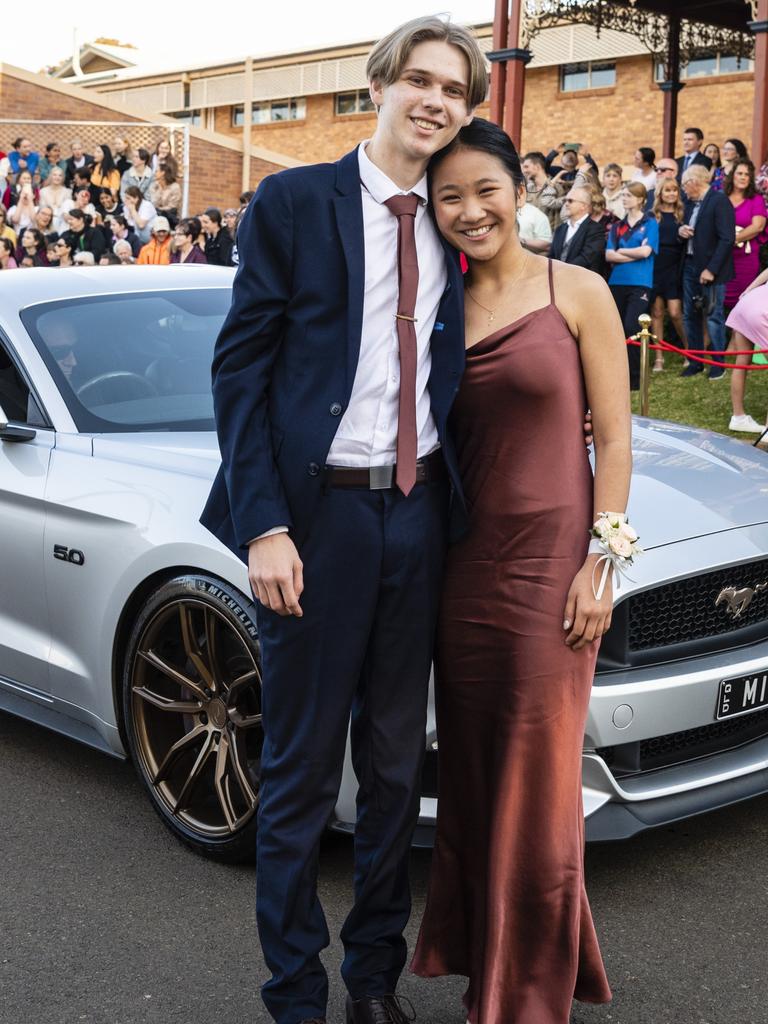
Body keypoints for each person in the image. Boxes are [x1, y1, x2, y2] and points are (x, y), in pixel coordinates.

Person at [200, 16, 489, 1024]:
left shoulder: (458, 221)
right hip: (315, 520)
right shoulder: (291, 203)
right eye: (421, 80)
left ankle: (372, 977)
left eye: (456, 91)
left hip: (417, 518)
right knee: (301, 769)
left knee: (398, 767)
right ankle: (294, 993)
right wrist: (263, 525)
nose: (437, 101)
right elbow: (240, 370)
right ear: (382, 83)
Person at [412, 116, 629, 1024]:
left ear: (518, 188)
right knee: (476, 771)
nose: (470, 211)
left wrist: (601, 565)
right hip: (462, 571)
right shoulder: (432, 309)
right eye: (449, 197)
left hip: (554, 569)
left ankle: (528, 993)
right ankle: (495, 964)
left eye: (485, 190)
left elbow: (615, 439)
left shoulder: (577, 290)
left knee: (540, 777)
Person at [679, 164, 736, 380]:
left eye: (685, 184)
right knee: (689, 314)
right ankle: (695, 362)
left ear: (695, 181)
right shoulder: (689, 204)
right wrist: (681, 231)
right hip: (690, 264)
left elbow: (727, 238)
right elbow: (685, 228)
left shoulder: (719, 200)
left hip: (712, 269)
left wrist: (711, 269)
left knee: (713, 316)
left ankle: (717, 364)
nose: (683, 189)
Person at [606, 182, 659, 390]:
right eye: (624, 195)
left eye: (629, 195)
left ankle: (635, 378)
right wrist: (634, 251)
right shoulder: (618, 226)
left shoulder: (651, 223)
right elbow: (608, 254)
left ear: (640, 199)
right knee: (616, 329)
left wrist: (622, 253)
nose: (624, 198)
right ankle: (617, 373)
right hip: (617, 281)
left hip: (640, 282)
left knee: (632, 327)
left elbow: (646, 252)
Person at [650, 177, 687, 372]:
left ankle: (689, 351)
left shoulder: (682, 214)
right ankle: (659, 358)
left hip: (674, 268)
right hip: (655, 266)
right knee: (656, 313)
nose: (671, 193)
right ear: (660, 193)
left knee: (674, 313)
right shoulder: (652, 215)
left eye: (674, 190)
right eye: (667, 190)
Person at [727, 266, 768, 432]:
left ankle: (738, 417)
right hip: (761, 311)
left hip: (747, 302)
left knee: (741, 360)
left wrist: (747, 292)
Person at [724, 160, 767, 311]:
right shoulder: (721, 197)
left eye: (747, 174)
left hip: (744, 260)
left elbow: (758, 226)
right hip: (720, 260)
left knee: (743, 304)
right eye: (739, 173)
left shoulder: (756, 199)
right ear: (732, 176)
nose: (743, 177)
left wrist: (729, 240)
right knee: (712, 306)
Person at [550, 185, 606, 273]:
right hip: (558, 280)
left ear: (583, 206)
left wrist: (563, 271)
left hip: (583, 281)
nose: (566, 204)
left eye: (570, 201)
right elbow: (552, 256)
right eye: (565, 200)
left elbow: (587, 257)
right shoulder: (560, 229)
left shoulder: (596, 229)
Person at [521, 151, 565, 230]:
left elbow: (560, 218)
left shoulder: (556, 187)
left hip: (548, 239)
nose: (524, 170)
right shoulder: (528, 189)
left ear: (537, 167)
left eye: (526, 167)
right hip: (528, 237)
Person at [148, 156, 182, 227]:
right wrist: (159, 189)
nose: (154, 173)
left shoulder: (175, 187)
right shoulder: (154, 185)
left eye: (157, 171)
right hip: (156, 216)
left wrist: (159, 209)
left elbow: (173, 207)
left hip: (170, 218)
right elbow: (153, 203)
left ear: (163, 173)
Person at [39, 166, 74, 233]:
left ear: (62, 178)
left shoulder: (68, 192)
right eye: (54, 175)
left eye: (60, 175)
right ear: (50, 176)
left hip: (62, 221)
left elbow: (68, 210)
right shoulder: (43, 191)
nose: (57, 177)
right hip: (47, 220)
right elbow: (42, 208)